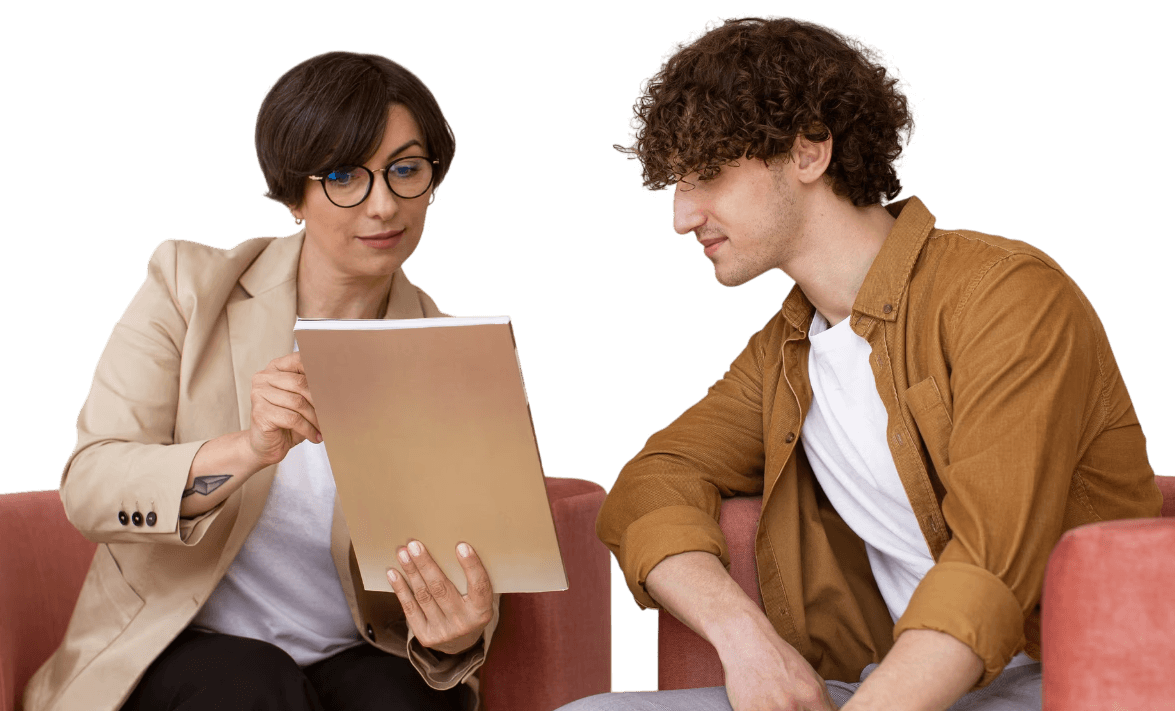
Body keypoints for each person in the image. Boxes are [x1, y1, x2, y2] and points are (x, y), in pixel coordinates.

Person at [563, 15, 1163, 711]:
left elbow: (987, 569)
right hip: (882, 680)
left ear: (809, 151)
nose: (681, 215)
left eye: (706, 175)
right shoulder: (784, 351)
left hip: (1059, 680)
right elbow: (653, 479)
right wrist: (746, 640)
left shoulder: (1006, 296)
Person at [25, 51, 498, 711]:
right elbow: (91, 486)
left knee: (409, 699)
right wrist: (247, 448)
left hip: (357, 652)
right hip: (181, 644)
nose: (383, 203)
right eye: (343, 176)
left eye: (405, 170)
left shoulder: (457, 358)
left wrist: (456, 636)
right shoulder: (187, 290)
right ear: (293, 195)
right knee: (249, 684)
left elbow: (480, 567)